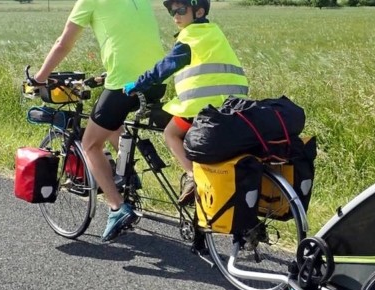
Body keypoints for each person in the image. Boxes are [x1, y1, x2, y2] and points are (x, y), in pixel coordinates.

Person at [30, 0, 166, 242]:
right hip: (156, 79)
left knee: (91, 143)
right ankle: (128, 176)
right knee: (111, 122)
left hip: (125, 82)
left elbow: (64, 43)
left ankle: (117, 207)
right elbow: (133, 39)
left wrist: (40, 78)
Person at [123, 0, 249, 207]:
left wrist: (139, 84)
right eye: (173, 12)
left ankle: (192, 175)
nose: (176, 16)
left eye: (181, 10)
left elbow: (165, 67)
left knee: (171, 133)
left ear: (199, 12)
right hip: (234, 105)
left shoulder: (191, 37)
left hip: (203, 106)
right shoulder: (214, 32)